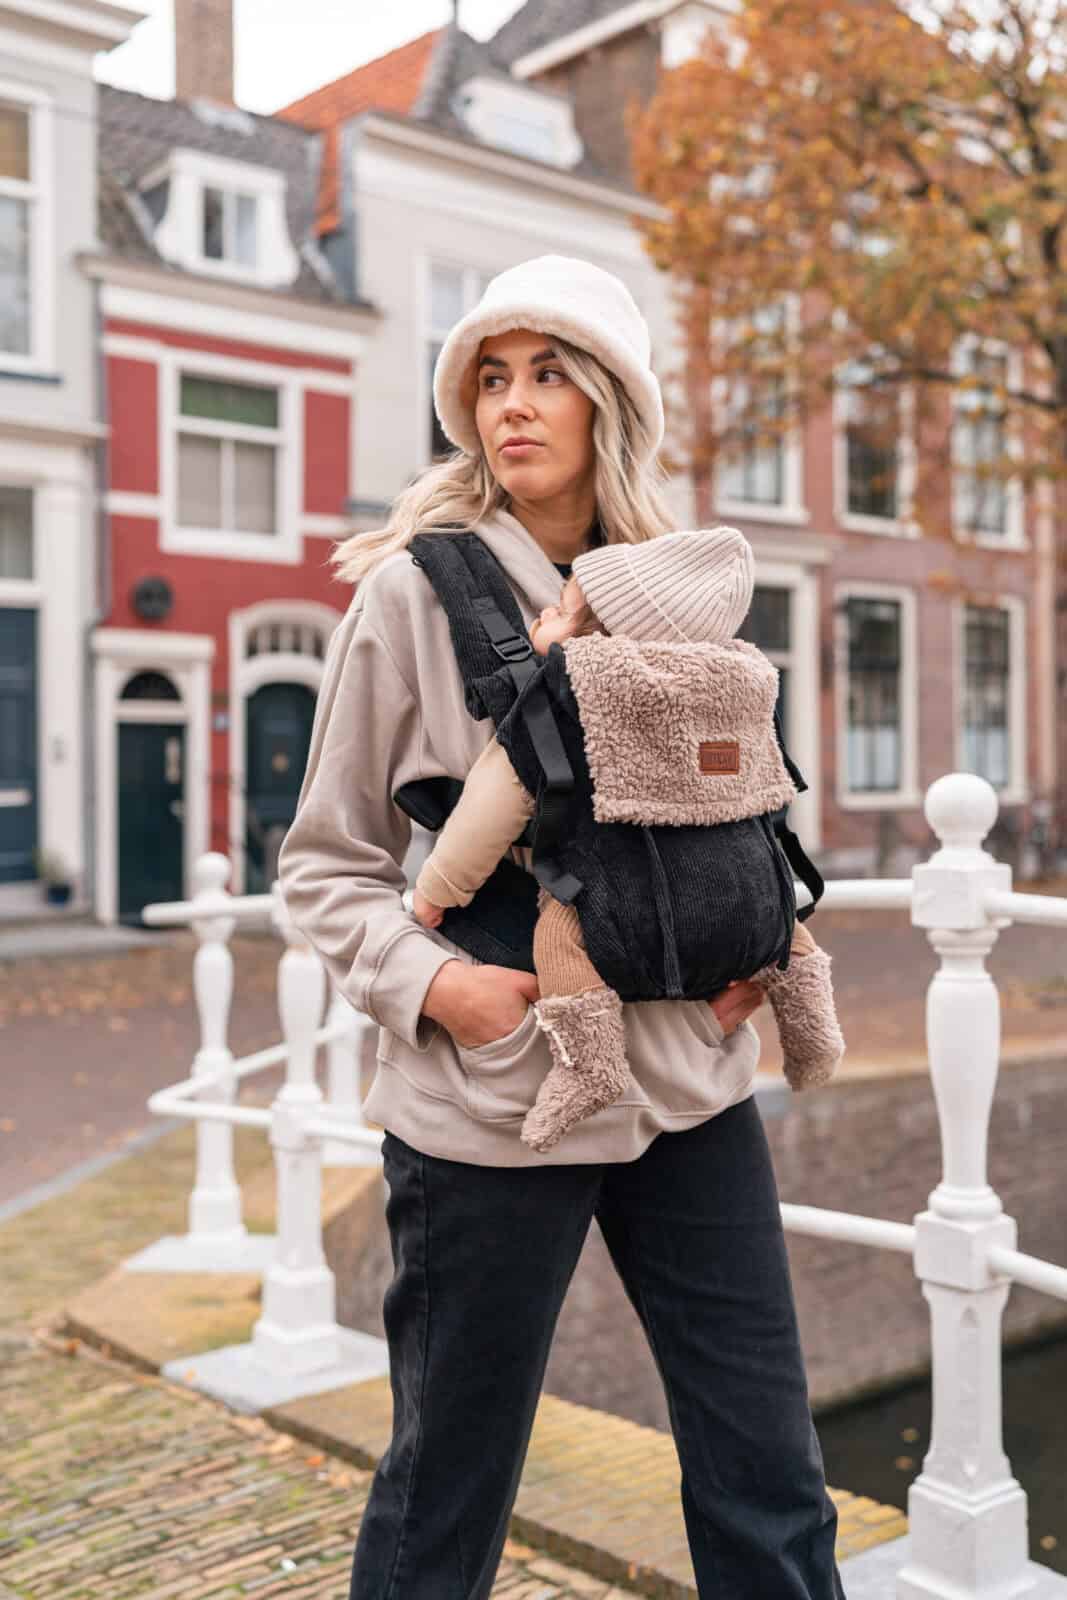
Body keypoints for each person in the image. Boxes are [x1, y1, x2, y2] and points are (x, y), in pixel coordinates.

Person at [279, 254, 846, 1599]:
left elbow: (729, 810)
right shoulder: (409, 597)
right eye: (489, 378)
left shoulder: (677, 590)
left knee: (770, 1476)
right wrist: (443, 990)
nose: (511, 405)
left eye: (547, 374)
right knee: (447, 1489)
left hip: (690, 1092)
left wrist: (742, 955)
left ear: (609, 402)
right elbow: (321, 867)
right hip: (492, 1101)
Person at [410, 526, 845, 1154]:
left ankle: (591, 1066)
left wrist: (436, 892)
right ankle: (814, 1030)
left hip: (629, 906)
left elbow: (492, 806)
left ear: (598, 637)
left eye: (562, 610)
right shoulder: (738, 688)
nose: (544, 614)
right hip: (743, 889)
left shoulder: (570, 697)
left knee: (558, 934)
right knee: (784, 926)